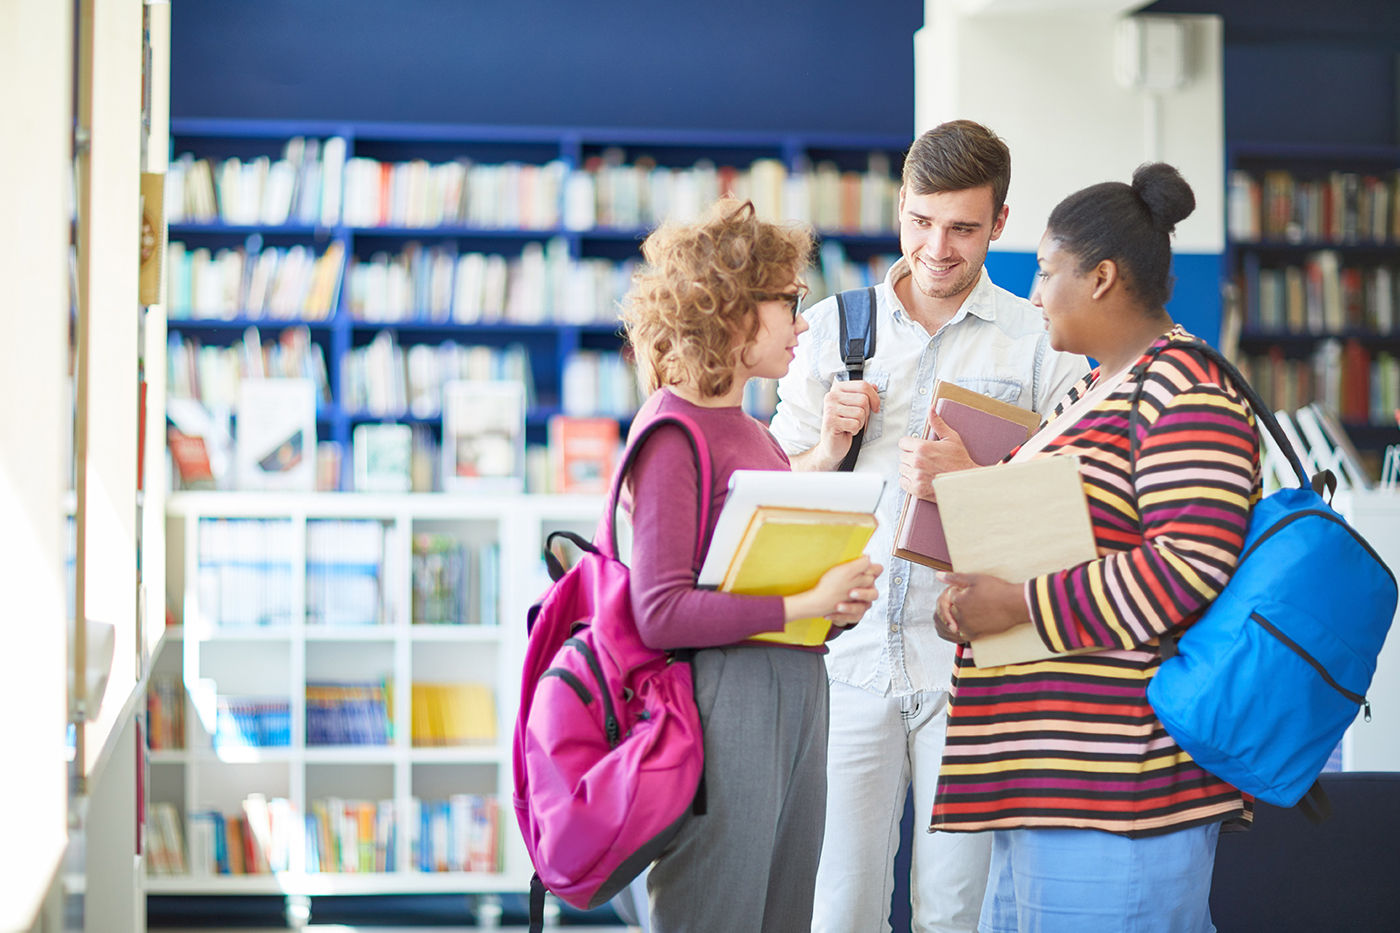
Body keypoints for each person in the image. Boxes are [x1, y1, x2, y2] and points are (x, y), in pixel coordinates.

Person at [769, 119, 1088, 933]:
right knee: (837, 912)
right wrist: (827, 446)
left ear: (1001, 223)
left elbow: (1075, 525)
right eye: (920, 221)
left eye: (962, 228)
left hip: (974, 673)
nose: (937, 247)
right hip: (847, 664)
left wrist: (974, 483)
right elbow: (771, 497)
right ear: (900, 207)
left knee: (956, 913)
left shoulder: (1043, 343)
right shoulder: (833, 330)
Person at [928, 162, 1262, 932]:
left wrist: (1014, 603)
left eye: (1047, 272)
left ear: (1103, 277)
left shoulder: (1185, 389)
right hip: (1048, 773)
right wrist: (969, 604)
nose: (1036, 294)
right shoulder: (1090, 391)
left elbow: (1189, 564)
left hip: (1121, 784)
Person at [619, 197, 884, 933]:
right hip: (723, 704)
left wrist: (832, 604)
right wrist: (804, 603)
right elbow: (660, 610)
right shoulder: (674, 430)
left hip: (795, 687)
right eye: (789, 300)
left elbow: (755, 580)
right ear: (731, 309)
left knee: (783, 914)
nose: (803, 321)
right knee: (718, 911)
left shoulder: (753, 432)